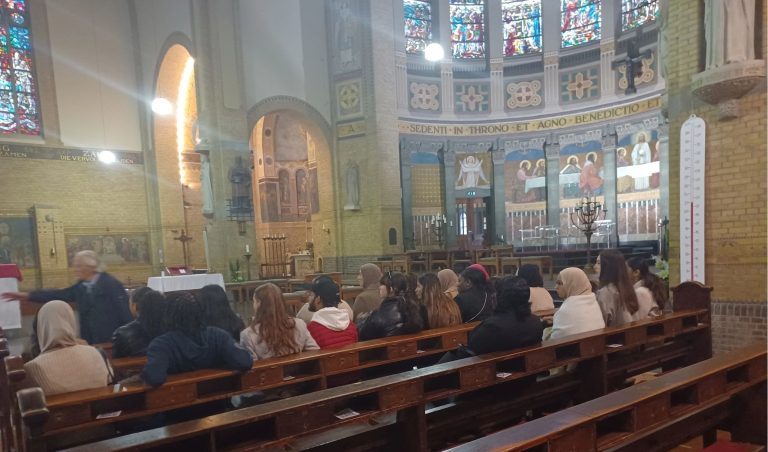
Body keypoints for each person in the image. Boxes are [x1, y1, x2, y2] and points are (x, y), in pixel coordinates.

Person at [1, 250, 132, 344]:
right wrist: (29, 295)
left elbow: (125, 314)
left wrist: (125, 339)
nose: (76, 269)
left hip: (111, 340)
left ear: (90, 266)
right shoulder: (82, 286)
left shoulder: (111, 284)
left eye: (79, 266)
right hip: (91, 340)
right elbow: (60, 295)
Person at [142, 291, 252, 387]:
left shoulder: (161, 344)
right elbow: (245, 362)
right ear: (200, 311)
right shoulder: (218, 335)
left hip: (177, 404)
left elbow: (155, 378)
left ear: (168, 314)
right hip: (219, 404)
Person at [24, 300, 112, 396]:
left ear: (40, 327)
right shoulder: (95, 353)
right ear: (70, 321)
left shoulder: (32, 368)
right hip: (102, 409)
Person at [467, 276, 544, 355]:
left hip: (497, 367)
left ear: (500, 297)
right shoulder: (536, 322)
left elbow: (472, 348)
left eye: (494, 294)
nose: (492, 297)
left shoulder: (491, 327)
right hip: (531, 365)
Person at [240, 283, 318, 360]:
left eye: (254, 301)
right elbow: (315, 352)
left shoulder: (248, 335)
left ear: (259, 303)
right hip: (300, 371)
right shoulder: (299, 324)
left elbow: (252, 369)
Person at [358, 272, 423, 340]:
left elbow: (362, 336)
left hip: (383, 350)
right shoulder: (413, 308)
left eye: (382, 284)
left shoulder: (379, 315)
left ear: (391, 289)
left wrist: (360, 321)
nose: (379, 287)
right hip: (409, 349)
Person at [548, 268, 605, 340]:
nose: (556, 287)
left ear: (572, 284)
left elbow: (554, 340)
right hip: (595, 345)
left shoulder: (566, 310)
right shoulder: (592, 301)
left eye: (560, 283)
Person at [111, 287, 166, 358]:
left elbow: (117, 362)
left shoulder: (122, 333)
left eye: (129, 303)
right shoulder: (169, 327)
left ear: (135, 306)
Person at [306, 276, 358, 349]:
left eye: (311, 295)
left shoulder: (312, 329)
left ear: (318, 299)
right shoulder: (351, 325)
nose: (308, 298)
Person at [594, 250, 641, 327]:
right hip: (629, 334)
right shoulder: (625, 287)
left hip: (614, 336)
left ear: (609, 267)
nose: (595, 267)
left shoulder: (606, 292)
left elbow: (601, 323)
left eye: (599, 263)